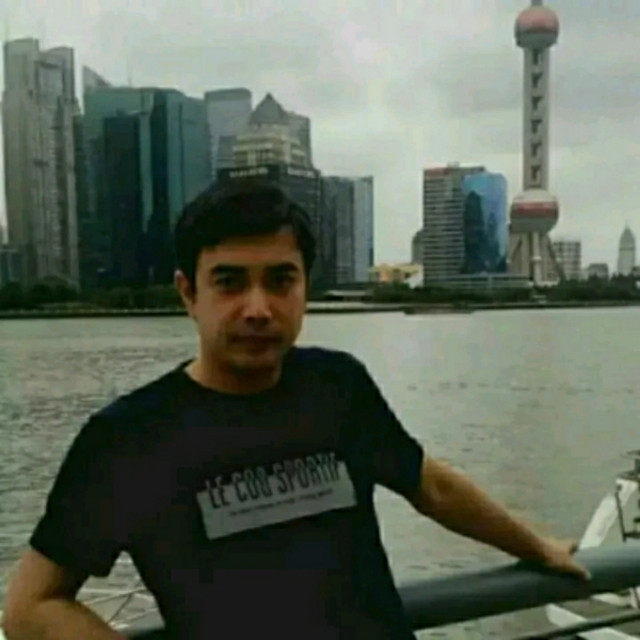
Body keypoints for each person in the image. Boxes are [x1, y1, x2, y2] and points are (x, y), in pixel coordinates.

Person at [2, 177, 588, 640]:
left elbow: (429, 485)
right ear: (188, 293)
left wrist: (537, 547)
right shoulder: (129, 438)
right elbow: (31, 606)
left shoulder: (337, 386)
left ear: (305, 288)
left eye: (280, 281)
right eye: (230, 282)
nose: (258, 308)